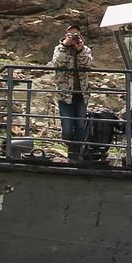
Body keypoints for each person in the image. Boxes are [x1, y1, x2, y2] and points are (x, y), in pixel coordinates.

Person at [49, 25, 95, 162]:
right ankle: (71, 149)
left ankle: (77, 156)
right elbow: (56, 64)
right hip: (65, 93)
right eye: (71, 35)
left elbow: (88, 65)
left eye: (76, 35)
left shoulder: (85, 49)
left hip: (82, 93)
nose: (74, 38)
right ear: (66, 35)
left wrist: (80, 50)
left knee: (80, 125)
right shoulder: (59, 49)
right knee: (68, 126)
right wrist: (65, 46)